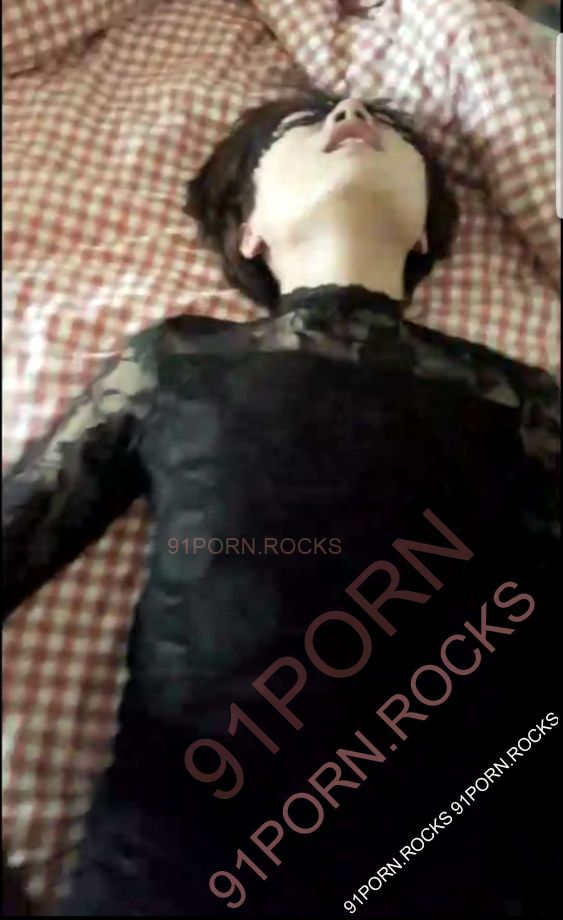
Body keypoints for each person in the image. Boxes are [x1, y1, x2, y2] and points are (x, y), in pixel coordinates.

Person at [3, 92, 559, 917]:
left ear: (423, 236)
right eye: (299, 127)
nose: (349, 109)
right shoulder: (179, 361)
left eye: (396, 133)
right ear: (249, 232)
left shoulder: (524, 401)